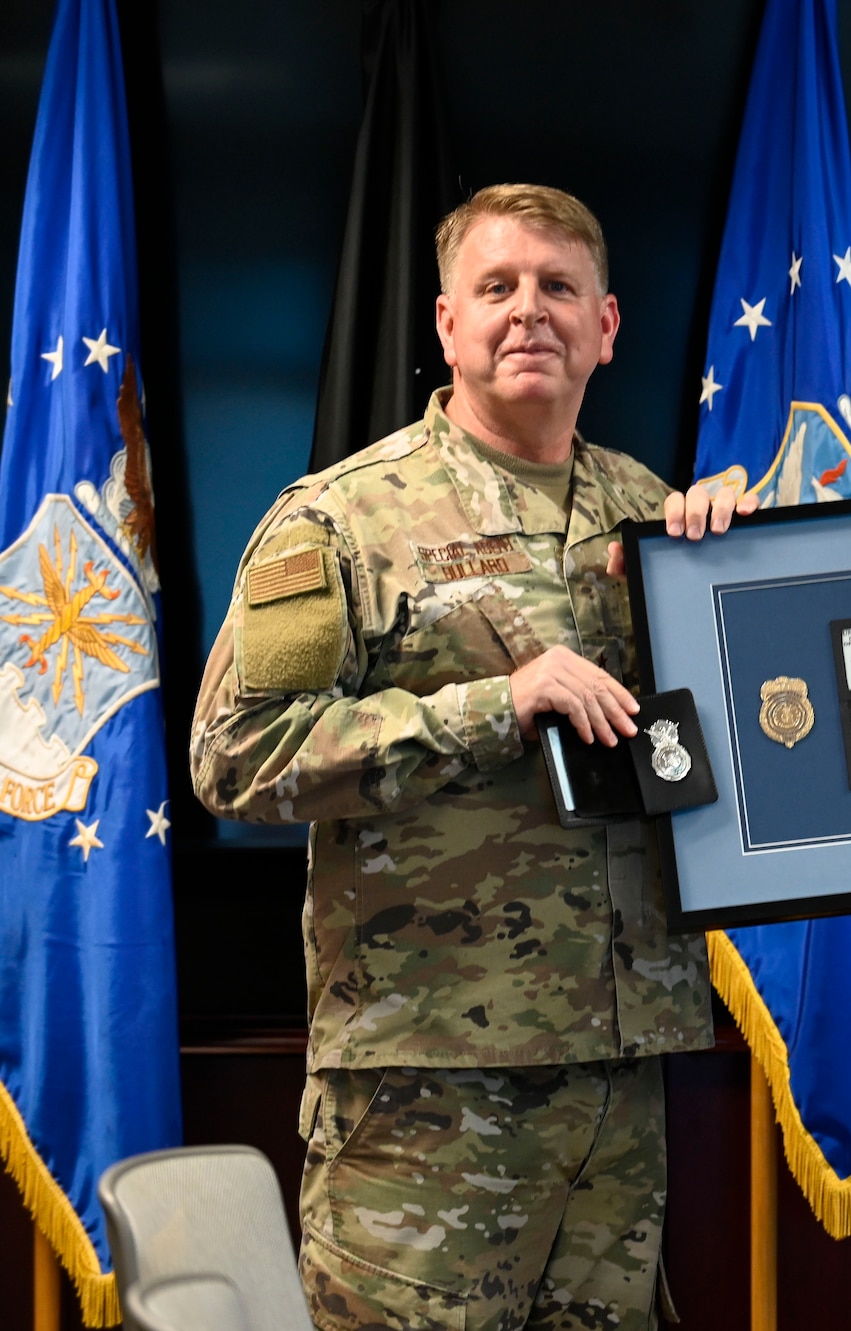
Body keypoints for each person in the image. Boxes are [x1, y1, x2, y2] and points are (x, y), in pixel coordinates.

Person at [190, 184, 751, 1330]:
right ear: (447, 325)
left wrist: (760, 570)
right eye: (496, 287)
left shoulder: (657, 517)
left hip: (617, 1076)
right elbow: (234, 756)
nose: (527, 311)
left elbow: (742, 743)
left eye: (558, 286)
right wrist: (491, 706)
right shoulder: (339, 521)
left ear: (607, 325)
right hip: (424, 1085)